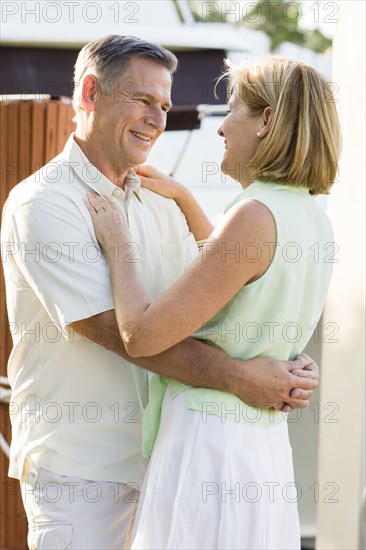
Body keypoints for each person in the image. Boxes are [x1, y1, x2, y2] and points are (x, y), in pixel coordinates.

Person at [1, 36, 318, 550]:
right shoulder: (45, 204)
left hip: (166, 468)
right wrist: (244, 378)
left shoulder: (161, 202)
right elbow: (120, 334)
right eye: (143, 100)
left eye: (165, 105)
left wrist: (287, 360)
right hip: (84, 477)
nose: (157, 118)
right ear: (90, 93)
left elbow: (219, 308)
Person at [85, 54, 341, 549]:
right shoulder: (312, 218)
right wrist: (186, 200)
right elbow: (243, 282)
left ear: (267, 121)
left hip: (210, 449)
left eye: (234, 111)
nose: (221, 129)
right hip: (260, 449)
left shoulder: (253, 215)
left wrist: (119, 245)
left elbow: (141, 335)